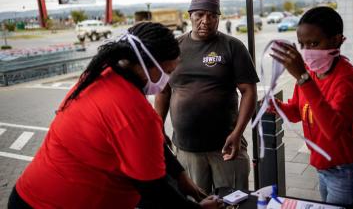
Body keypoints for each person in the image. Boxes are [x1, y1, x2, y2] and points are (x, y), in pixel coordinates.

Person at [8, 22, 223, 209]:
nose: (168, 78)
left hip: (30, 194)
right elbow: (154, 189)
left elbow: (146, 143)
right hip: (51, 204)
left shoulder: (102, 73)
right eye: (167, 71)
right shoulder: (134, 112)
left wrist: (180, 175)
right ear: (144, 64)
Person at [269, 6, 353, 208]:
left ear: (336, 40)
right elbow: (296, 112)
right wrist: (276, 106)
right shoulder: (310, 73)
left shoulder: (348, 80)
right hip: (324, 169)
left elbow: (333, 130)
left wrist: (302, 78)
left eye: (314, 43)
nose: (307, 52)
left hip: (348, 172)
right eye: (302, 44)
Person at [155, 0, 259, 194]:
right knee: (197, 202)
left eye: (212, 15)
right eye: (199, 15)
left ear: (219, 18)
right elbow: (163, 91)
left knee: (232, 201)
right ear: (190, 16)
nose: (206, 20)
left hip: (226, 146)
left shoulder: (232, 46)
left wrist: (237, 134)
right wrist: (158, 125)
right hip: (186, 149)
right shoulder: (174, 47)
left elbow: (249, 91)